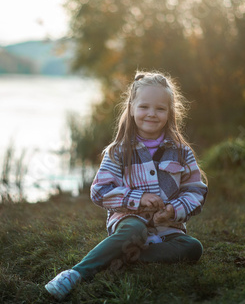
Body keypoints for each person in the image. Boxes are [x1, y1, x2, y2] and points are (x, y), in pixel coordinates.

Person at [45, 71, 208, 300]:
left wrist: (174, 210)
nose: (151, 114)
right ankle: (76, 273)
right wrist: (137, 199)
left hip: (166, 230)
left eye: (160, 109)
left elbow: (196, 191)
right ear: (131, 108)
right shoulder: (118, 151)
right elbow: (99, 191)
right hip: (129, 221)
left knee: (193, 248)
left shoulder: (182, 152)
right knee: (135, 230)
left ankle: (126, 256)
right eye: (144, 107)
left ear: (170, 112)